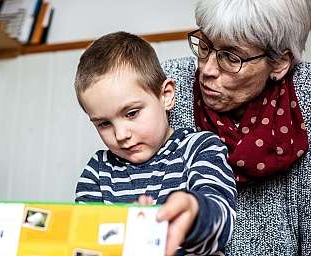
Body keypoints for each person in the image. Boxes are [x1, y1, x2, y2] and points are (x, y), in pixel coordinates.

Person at [161, 0, 311, 255]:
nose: (206, 69)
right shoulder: (168, 90)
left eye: (231, 57)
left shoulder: (306, 99)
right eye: (205, 45)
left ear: (279, 63)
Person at [74, 31, 236, 255]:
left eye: (131, 113)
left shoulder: (200, 148)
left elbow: (221, 222)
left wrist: (192, 209)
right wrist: (124, 232)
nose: (120, 135)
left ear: (166, 96)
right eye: (103, 124)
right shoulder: (97, 171)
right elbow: (84, 241)